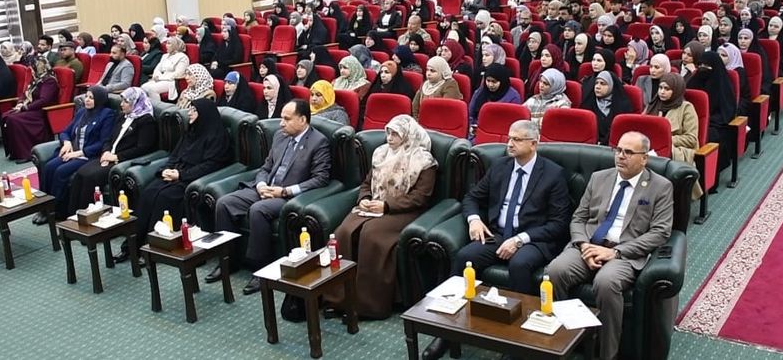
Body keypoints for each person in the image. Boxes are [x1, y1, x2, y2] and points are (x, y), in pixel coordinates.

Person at [547, 131, 673, 360]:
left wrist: (615, 252)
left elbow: (660, 232)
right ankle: (566, 342)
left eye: (629, 152)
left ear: (644, 158)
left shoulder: (660, 186)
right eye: (618, 150)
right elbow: (579, 218)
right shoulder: (599, 178)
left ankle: (607, 354)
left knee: (606, 282)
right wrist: (583, 245)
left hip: (624, 253)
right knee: (555, 271)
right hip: (588, 244)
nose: (621, 156)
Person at [208, 100, 331, 293]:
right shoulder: (280, 136)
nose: (281, 123)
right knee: (224, 203)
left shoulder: (318, 142)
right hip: (265, 188)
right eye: (282, 118)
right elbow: (265, 168)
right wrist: (261, 185)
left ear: (302, 120)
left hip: (286, 196)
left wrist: (285, 191)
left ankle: (260, 270)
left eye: (287, 119)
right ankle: (227, 261)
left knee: (258, 210)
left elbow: (320, 179)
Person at [322, 115, 438, 319]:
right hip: (374, 204)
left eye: (395, 134)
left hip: (403, 211)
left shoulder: (424, 162)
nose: (389, 138)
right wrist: (365, 198)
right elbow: (367, 183)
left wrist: (386, 206)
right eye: (388, 133)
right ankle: (337, 298)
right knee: (343, 232)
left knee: (371, 235)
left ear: (408, 136)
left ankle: (368, 305)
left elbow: (420, 197)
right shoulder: (381, 153)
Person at [451, 119, 571, 296]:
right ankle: (457, 306)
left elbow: (558, 223)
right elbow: (472, 197)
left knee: (519, 264)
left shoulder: (553, 174)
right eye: (509, 138)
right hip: (499, 234)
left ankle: (521, 312)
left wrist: (519, 240)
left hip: (533, 239)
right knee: (465, 256)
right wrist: (474, 220)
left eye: (517, 139)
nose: (510, 144)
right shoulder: (500, 166)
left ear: (533, 144)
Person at [133, 98, 230, 261]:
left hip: (190, 179)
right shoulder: (190, 132)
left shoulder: (218, 136)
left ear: (204, 114)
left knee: (164, 197)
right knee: (148, 192)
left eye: (194, 110)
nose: (189, 113)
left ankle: (154, 248)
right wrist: (165, 170)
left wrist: (181, 175)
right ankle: (135, 245)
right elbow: (174, 155)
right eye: (190, 109)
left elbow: (211, 165)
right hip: (175, 173)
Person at [69, 87, 159, 220]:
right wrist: (106, 151)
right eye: (122, 101)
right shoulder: (122, 116)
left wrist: (116, 157)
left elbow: (143, 148)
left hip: (122, 159)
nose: (121, 104)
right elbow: (109, 138)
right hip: (108, 155)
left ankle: (88, 219)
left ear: (136, 103)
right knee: (81, 173)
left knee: (91, 177)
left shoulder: (146, 121)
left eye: (126, 102)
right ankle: (73, 215)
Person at [35, 86, 115, 223]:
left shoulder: (107, 115)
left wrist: (79, 153)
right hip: (72, 151)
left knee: (61, 171)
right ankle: (44, 208)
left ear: (99, 99)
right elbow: (65, 131)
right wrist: (66, 142)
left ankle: (56, 211)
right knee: (49, 167)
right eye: (86, 97)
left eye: (91, 98)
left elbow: (103, 143)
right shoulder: (82, 112)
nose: (87, 100)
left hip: (88, 155)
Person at [687, 51, 737, 177]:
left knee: (712, 136)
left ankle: (708, 177)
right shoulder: (693, 82)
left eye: (707, 66)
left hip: (716, 124)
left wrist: (706, 122)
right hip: (692, 122)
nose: (703, 68)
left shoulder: (723, 85)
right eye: (700, 65)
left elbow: (726, 113)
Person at [1, 57, 60, 161]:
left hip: (42, 111)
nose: (31, 71)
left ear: (39, 67)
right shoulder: (36, 80)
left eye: (33, 68)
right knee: (5, 116)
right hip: (31, 108)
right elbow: (25, 94)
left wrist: (25, 107)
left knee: (14, 119)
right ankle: (14, 152)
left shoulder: (49, 81)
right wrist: (20, 103)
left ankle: (25, 153)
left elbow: (44, 100)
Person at [644, 72, 698, 164]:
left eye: (667, 89)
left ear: (676, 90)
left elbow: (691, 139)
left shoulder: (686, 108)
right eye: (660, 88)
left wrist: (665, 140)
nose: (662, 92)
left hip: (676, 150)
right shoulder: (653, 105)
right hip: (649, 147)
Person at [581, 70, 632, 145]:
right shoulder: (587, 103)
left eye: (602, 84)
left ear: (611, 86)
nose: (597, 87)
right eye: (596, 83)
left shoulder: (623, 106)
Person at [141, 37, 189, 103]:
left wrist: (161, 78)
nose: (166, 45)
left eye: (169, 43)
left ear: (175, 45)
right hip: (160, 79)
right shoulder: (165, 56)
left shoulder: (183, 57)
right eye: (166, 43)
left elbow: (179, 73)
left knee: (151, 89)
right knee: (143, 87)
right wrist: (157, 76)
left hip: (172, 81)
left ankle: (158, 107)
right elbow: (157, 69)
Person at [719, 43, 750, 115]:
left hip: (738, 107)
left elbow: (742, 96)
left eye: (723, 55)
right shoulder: (717, 69)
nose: (719, 58)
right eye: (718, 55)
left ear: (732, 56)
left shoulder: (739, 72)